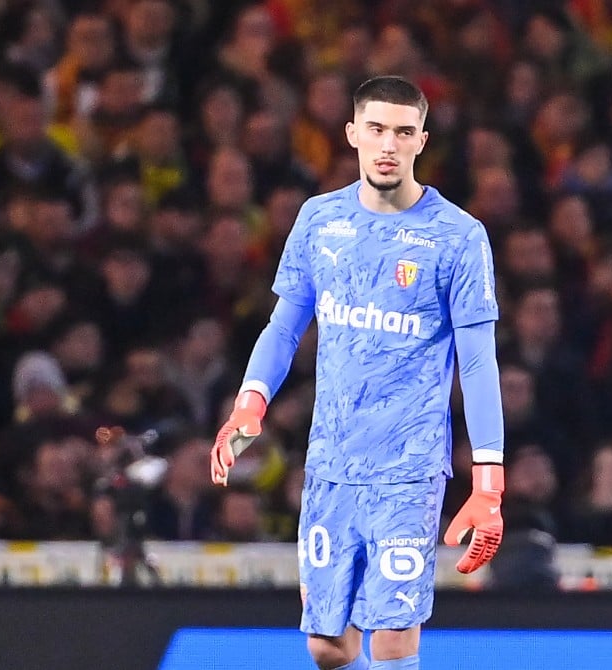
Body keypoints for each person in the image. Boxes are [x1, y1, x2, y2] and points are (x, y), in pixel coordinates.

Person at [211, 76, 506, 670]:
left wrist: (489, 481)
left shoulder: (458, 236)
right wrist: (250, 402)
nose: (388, 145)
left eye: (402, 131)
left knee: (392, 637)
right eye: (376, 129)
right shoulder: (320, 221)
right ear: (352, 135)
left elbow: (477, 361)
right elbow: (284, 327)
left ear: (422, 140)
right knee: (329, 647)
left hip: (409, 467)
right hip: (332, 462)